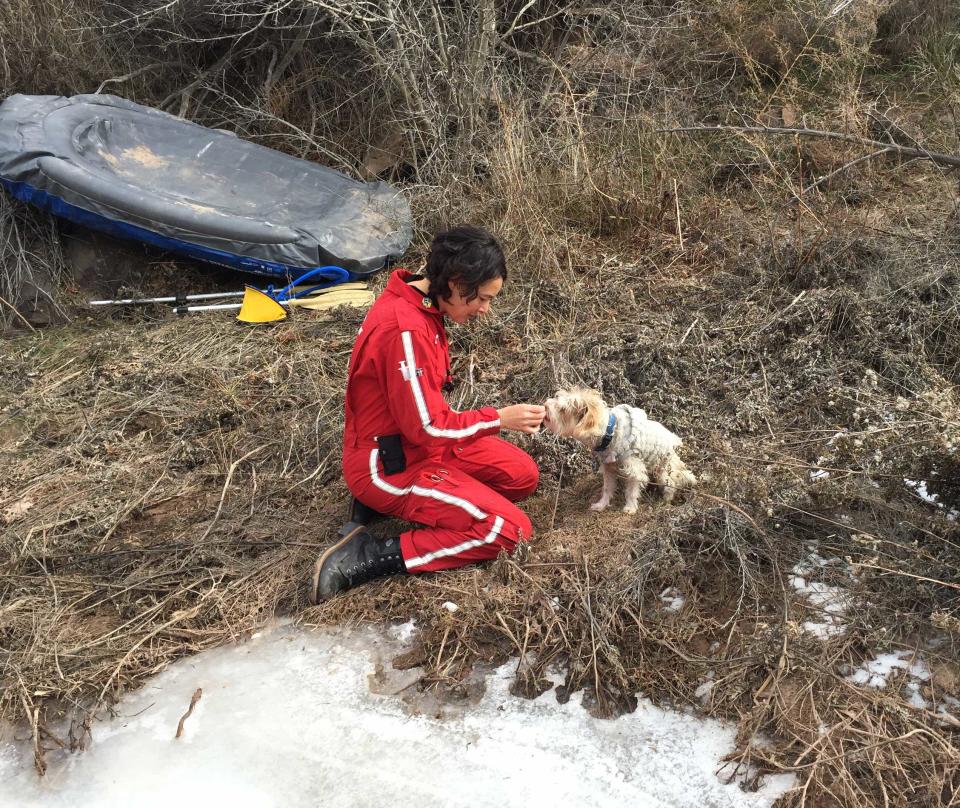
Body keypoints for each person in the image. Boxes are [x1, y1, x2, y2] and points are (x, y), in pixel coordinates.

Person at [309, 225, 545, 603]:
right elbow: (429, 428)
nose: (485, 310)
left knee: (521, 477)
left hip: (417, 445)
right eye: (481, 299)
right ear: (454, 282)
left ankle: (424, 501)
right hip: (390, 465)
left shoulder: (422, 304)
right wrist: (499, 418)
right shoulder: (406, 330)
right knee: (508, 530)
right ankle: (367, 555)